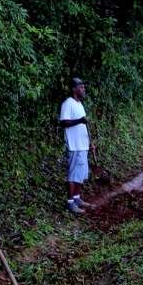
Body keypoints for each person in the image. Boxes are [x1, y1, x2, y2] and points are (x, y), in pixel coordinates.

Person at [59, 77, 95, 214]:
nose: (84, 89)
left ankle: (77, 198)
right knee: (73, 175)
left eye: (84, 87)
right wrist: (79, 120)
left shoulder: (80, 105)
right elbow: (64, 123)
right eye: (81, 87)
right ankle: (70, 203)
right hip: (74, 145)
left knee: (81, 174)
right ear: (74, 89)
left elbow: (83, 126)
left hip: (83, 145)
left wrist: (90, 143)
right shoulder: (68, 103)